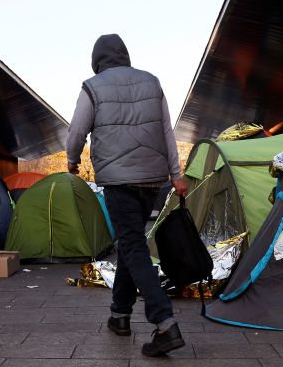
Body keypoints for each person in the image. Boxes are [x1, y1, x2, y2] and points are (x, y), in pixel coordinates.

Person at [66, 33, 187, 357]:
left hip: (118, 182)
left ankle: (164, 323)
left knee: (133, 245)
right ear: (125, 56)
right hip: (152, 181)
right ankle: (120, 315)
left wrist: (72, 160)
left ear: (97, 60)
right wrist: (176, 174)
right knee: (130, 243)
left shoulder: (92, 86)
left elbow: (77, 130)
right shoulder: (152, 82)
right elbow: (166, 130)